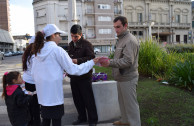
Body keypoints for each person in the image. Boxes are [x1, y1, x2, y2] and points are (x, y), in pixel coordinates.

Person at [31, 24, 99, 126]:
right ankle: (82, 117)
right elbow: (73, 69)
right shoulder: (57, 50)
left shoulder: (38, 51)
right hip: (54, 94)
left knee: (45, 120)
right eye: (59, 35)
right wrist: (92, 62)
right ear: (53, 35)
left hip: (43, 95)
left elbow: (33, 73)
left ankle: (92, 119)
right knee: (56, 120)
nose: (60, 37)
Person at [100, 16, 141, 126]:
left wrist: (110, 62)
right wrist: (110, 61)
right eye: (114, 27)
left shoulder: (130, 40)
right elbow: (120, 58)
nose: (116, 30)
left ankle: (134, 123)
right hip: (122, 77)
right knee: (123, 104)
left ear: (125, 26)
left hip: (128, 78)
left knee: (131, 106)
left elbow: (128, 61)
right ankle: (125, 121)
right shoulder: (122, 39)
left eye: (118, 27)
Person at [68, 24, 98, 126]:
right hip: (74, 77)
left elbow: (91, 58)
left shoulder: (87, 44)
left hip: (85, 77)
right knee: (77, 100)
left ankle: (93, 120)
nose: (73, 38)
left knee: (88, 99)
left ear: (81, 34)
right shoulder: (70, 44)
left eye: (76, 36)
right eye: (72, 36)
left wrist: (78, 60)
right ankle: (82, 117)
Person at [22, 36, 41, 126]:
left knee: (29, 105)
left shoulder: (27, 54)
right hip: (33, 83)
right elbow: (36, 71)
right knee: (36, 106)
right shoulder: (34, 55)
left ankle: (30, 122)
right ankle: (37, 123)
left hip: (26, 81)